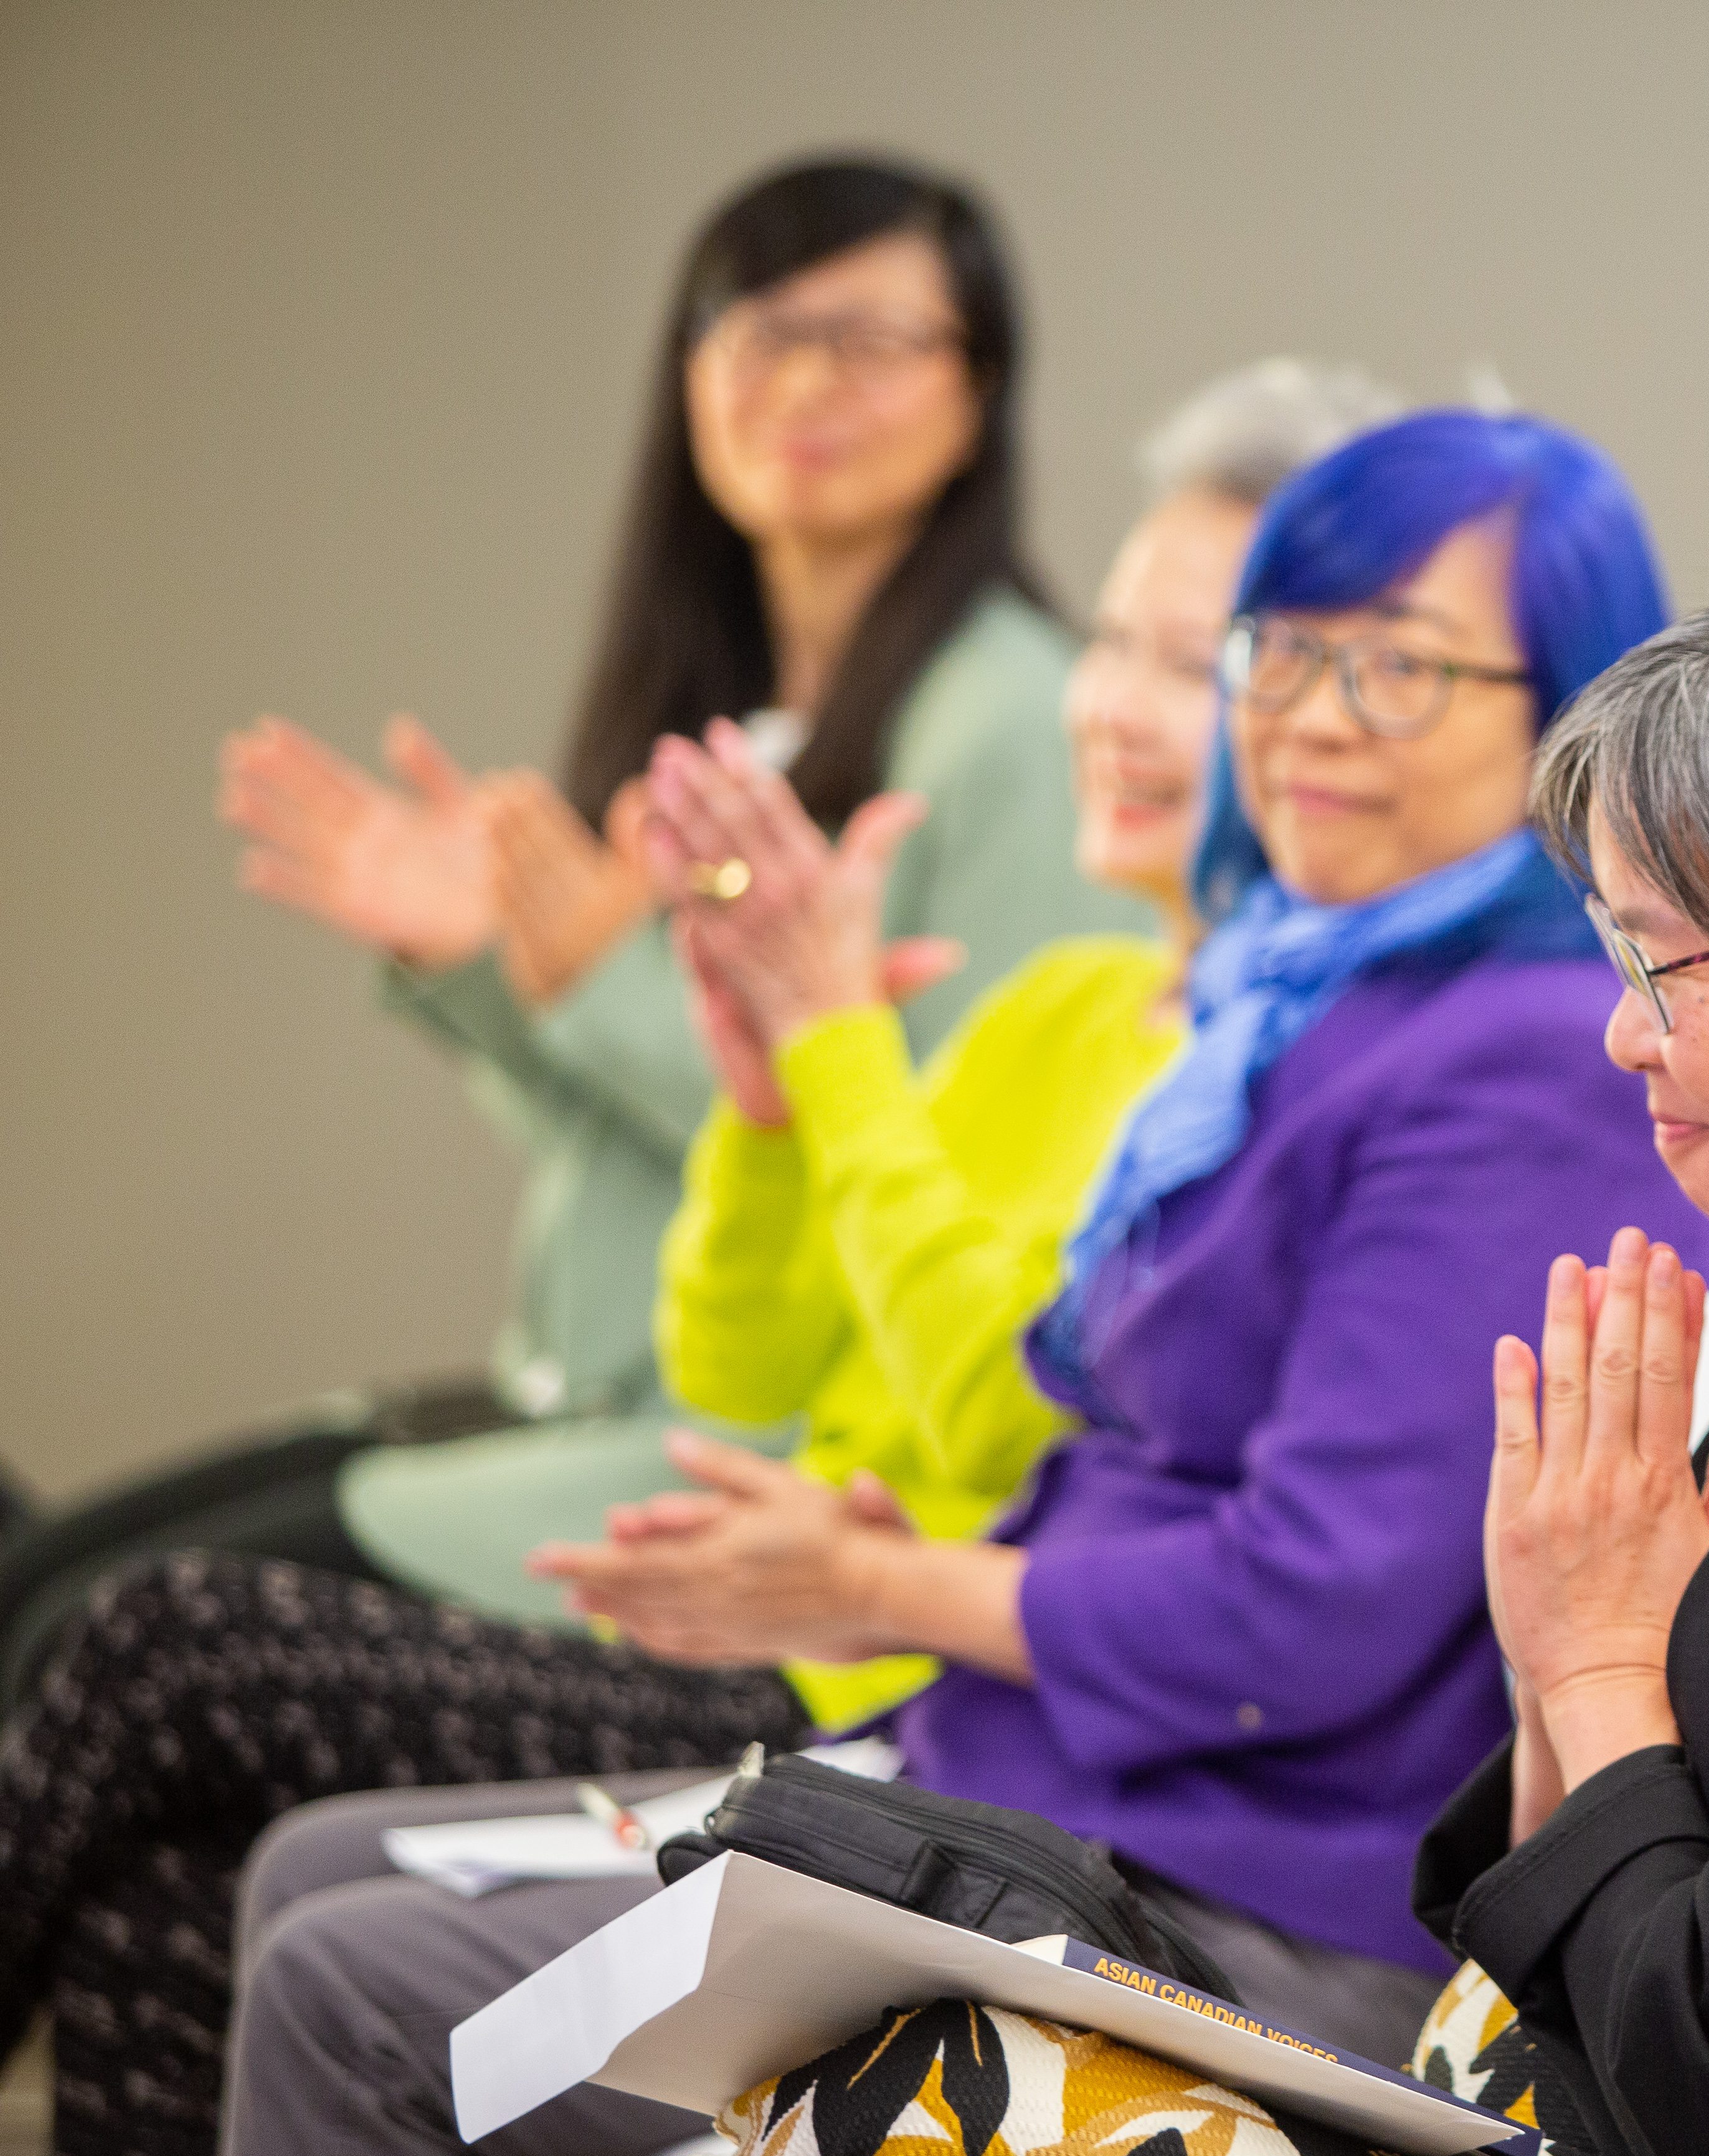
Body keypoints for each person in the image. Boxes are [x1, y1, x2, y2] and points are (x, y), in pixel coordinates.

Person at [150, 556, 1709, 2156]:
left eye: (1667, 970)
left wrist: (1591, 1667)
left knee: (920, 2141)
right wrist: (1567, 1658)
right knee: (917, 2050)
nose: (1626, 1038)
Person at [195, 409, 1709, 2156]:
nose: (1312, 716)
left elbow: (1300, 1615)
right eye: (1288, 651)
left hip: (1245, 1910)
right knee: (313, 1876)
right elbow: (988, 1403)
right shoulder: (1292, 1008)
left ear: (1563, 711)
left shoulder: (1508, 1055)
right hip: (1066, 1789)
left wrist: (880, 1581)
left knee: (350, 1983)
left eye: (1401, 669)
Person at [40, 154, 1135, 1673]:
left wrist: (591, 984)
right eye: (755, 329)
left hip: (774, 1464)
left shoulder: (1009, 719)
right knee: (41, 1580)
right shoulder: (739, 706)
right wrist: (492, 971)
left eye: (875, 339)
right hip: (591, 1406)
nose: (805, 380)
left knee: (83, 1637)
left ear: (979, 393)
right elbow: (634, 1149)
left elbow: (952, 1177)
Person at [649, 354, 1401, 1726]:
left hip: (923, 1705)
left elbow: (1007, 1422)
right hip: (779, 1653)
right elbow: (734, 1370)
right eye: (1108, 643)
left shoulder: (1290, 1074)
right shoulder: (1061, 1001)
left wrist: (839, 1047)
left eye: (1187, 665)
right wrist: (770, 1111)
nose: (1108, 706)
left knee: (193, 1665)